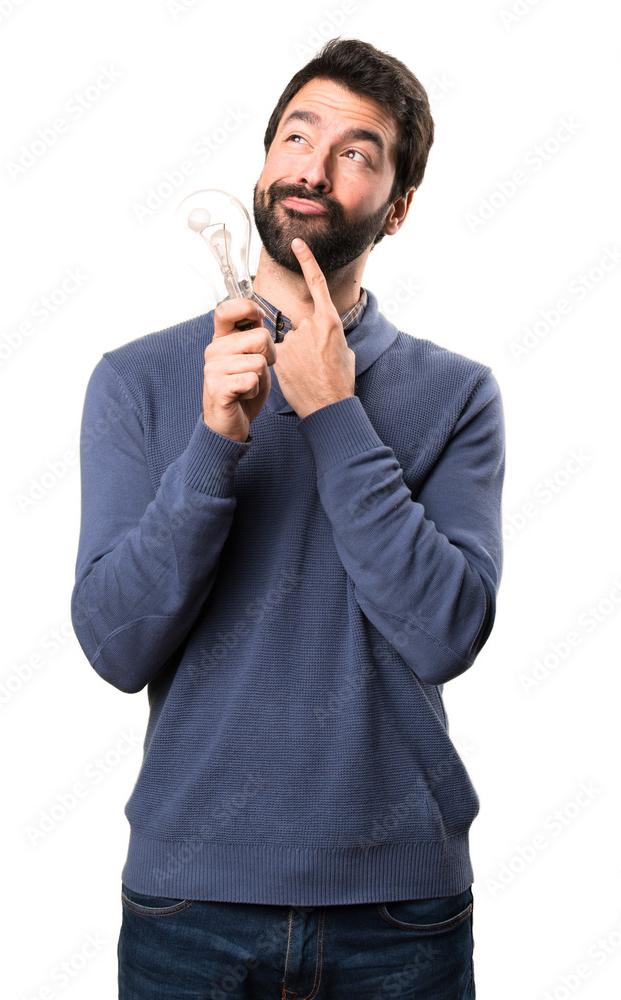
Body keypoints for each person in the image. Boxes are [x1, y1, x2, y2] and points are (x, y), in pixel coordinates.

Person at [71, 37, 504, 1000]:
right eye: (296, 135)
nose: (312, 164)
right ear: (264, 165)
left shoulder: (458, 393)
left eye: (357, 150)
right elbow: (113, 646)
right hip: (189, 906)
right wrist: (214, 443)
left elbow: (444, 633)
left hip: (401, 916)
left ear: (395, 209)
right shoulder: (138, 382)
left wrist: (334, 413)